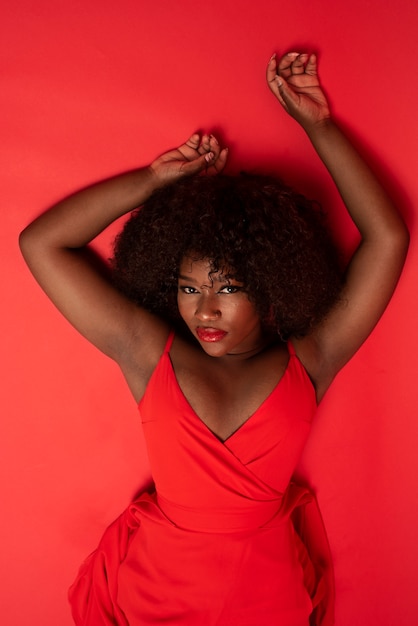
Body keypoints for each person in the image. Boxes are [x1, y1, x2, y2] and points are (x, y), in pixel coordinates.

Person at [19, 51, 408, 626]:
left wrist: (318, 126)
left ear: (273, 285)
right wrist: (153, 180)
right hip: (157, 593)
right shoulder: (148, 353)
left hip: (268, 595)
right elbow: (42, 244)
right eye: (187, 287)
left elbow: (388, 238)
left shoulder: (314, 359)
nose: (204, 308)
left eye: (228, 287)